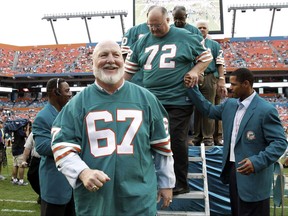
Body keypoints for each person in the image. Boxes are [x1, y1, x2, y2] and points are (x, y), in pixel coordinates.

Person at [51, 40, 175, 216]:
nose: (111, 60)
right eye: (103, 55)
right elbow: (62, 147)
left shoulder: (147, 99)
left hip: (139, 194)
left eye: (116, 55)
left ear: (123, 61)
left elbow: (162, 146)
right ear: (92, 63)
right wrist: (83, 172)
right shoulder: (77, 104)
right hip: (96, 197)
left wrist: (166, 182)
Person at [124, 6, 212, 195]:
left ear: (168, 21)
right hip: (151, 101)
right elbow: (129, 70)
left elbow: (206, 57)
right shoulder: (142, 41)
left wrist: (195, 71)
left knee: (175, 138)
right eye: (150, 25)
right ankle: (151, 177)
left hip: (179, 98)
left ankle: (181, 182)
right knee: (146, 138)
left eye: (158, 25)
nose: (154, 29)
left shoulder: (185, 36)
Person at [185, 68, 288, 216]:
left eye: (233, 84)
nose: (230, 87)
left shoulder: (266, 110)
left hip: (254, 174)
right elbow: (208, 110)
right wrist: (192, 88)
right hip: (234, 170)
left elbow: (280, 143)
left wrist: (256, 162)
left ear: (246, 84)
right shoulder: (230, 105)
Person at [33, 78, 75, 216]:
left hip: (74, 184)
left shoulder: (70, 113)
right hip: (55, 184)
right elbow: (42, 147)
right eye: (67, 90)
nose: (70, 94)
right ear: (55, 92)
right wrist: (71, 145)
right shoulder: (43, 117)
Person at [192, 19, 227, 146]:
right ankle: (197, 136)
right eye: (199, 28)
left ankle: (208, 137)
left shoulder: (214, 44)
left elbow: (220, 63)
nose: (201, 30)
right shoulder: (191, 42)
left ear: (208, 30)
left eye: (204, 28)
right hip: (195, 76)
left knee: (209, 107)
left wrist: (221, 79)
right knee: (197, 108)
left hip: (209, 76)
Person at [120, 5, 156, 86]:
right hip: (137, 77)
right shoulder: (134, 31)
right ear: (147, 15)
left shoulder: (164, 31)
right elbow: (124, 55)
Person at [7, 118, 30, 186]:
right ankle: (21, 180)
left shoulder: (13, 129)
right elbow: (26, 135)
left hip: (14, 148)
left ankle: (14, 179)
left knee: (15, 165)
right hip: (19, 149)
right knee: (21, 166)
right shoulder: (19, 130)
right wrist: (27, 129)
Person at [21, 131, 41, 204]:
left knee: (47, 180)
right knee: (31, 176)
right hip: (36, 159)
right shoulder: (34, 132)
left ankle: (44, 197)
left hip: (49, 159)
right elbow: (27, 147)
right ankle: (41, 194)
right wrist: (24, 160)